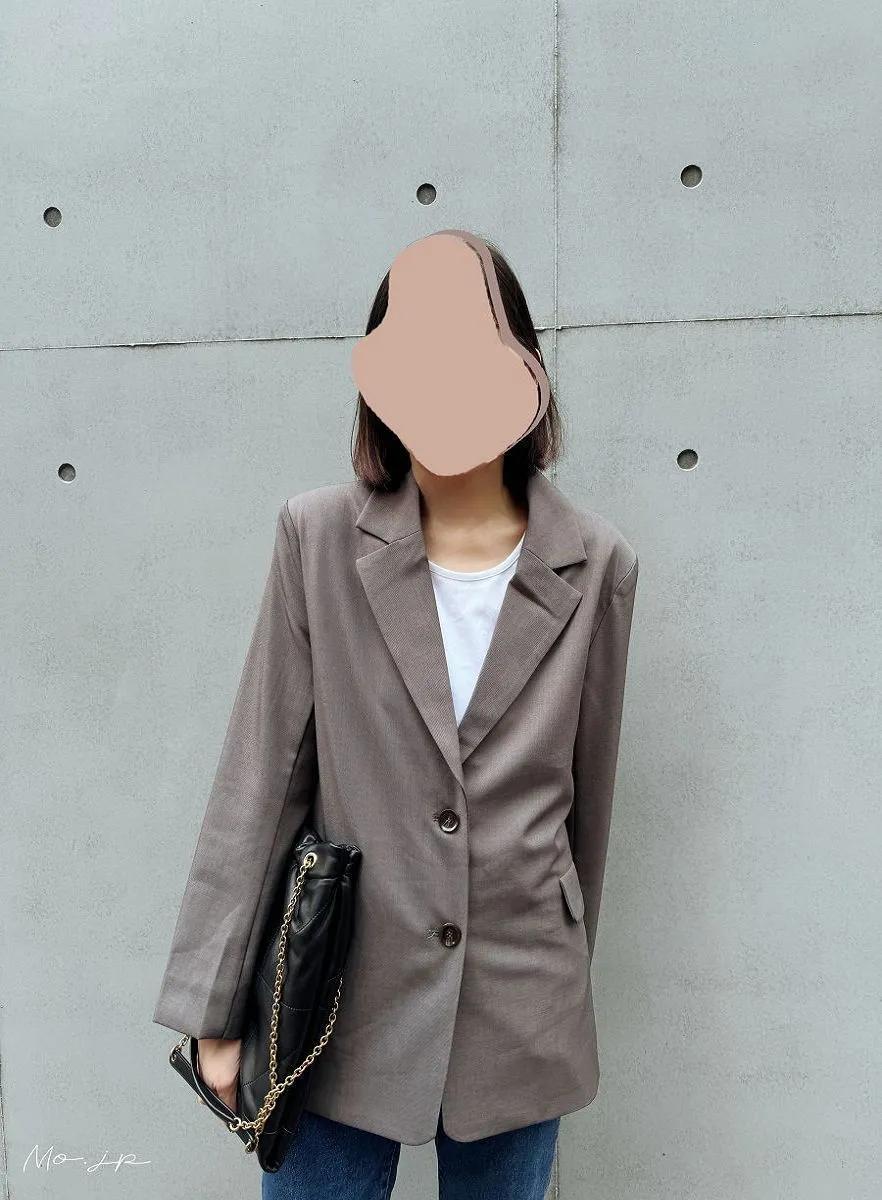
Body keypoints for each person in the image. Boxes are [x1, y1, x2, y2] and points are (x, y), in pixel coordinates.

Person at [153, 233, 639, 1199]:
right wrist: (215, 1007)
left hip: (519, 1004)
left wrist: (558, 972)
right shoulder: (318, 540)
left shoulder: (597, 564)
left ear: (525, 373)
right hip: (337, 998)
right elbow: (262, 776)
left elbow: (588, 807)